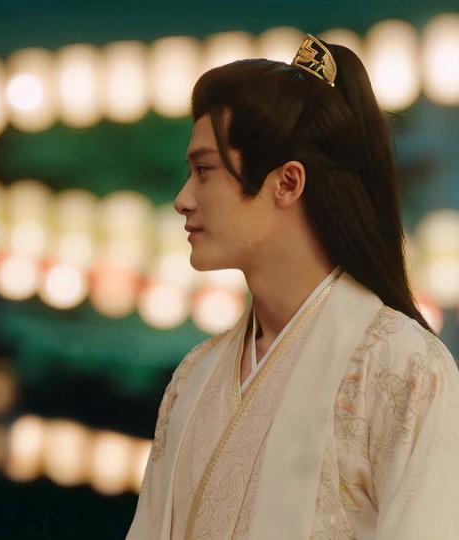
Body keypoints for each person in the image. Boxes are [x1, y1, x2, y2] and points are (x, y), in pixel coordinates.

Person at [125, 35, 459, 539]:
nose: (182, 199)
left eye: (204, 171)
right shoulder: (194, 376)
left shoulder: (402, 368)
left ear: (287, 183)